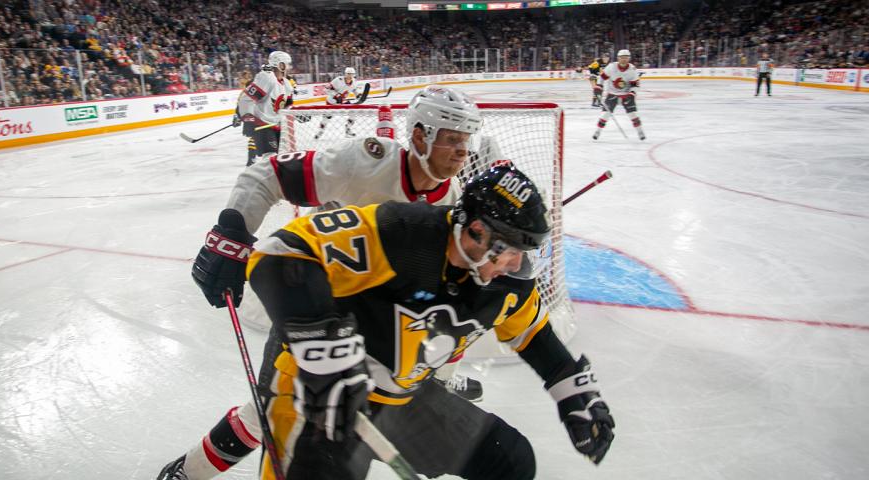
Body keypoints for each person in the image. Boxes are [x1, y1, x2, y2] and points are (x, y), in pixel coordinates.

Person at [157, 86, 507, 480]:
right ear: (421, 135)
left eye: (466, 140)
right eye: (452, 139)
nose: (462, 151)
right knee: (269, 411)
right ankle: (187, 471)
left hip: (375, 323)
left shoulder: (452, 201)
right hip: (312, 306)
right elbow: (265, 174)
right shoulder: (366, 162)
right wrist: (232, 233)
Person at [215, 166, 614, 479]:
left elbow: (531, 333)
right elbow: (280, 253)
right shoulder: (401, 233)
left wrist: (571, 390)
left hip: (399, 399)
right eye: (509, 250)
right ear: (475, 230)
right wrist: (324, 348)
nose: (516, 265)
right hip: (321, 400)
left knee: (508, 461)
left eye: (525, 253)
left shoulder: (506, 283)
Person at [235, 51, 294, 166]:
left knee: (278, 158)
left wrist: (297, 114)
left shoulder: (286, 83)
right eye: (288, 64)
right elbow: (246, 99)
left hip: (276, 125)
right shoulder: (267, 78)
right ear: (281, 65)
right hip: (262, 124)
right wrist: (247, 118)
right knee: (270, 159)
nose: (290, 67)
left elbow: (287, 105)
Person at [593, 49, 645, 141]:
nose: (624, 60)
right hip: (612, 94)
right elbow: (602, 77)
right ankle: (598, 131)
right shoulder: (611, 67)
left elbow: (635, 84)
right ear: (618, 58)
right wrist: (599, 87)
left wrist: (632, 93)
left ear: (629, 58)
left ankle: (640, 131)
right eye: (622, 58)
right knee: (605, 114)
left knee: (632, 114)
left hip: (626, 94)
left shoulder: (632, 69)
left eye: (626, 58)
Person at [314, 66, 360, 139]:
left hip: (343, 101)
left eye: (352, 74)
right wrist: (336, 95)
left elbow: (354, 89)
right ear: (345, 74)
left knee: (353, 113)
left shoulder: (354, 82)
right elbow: (326, 89)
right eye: (348, 74)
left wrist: (357, 95)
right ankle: (320, 131)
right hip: (331, 101)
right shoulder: (338, 80)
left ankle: (348, 130)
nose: (350, 76)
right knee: (326, 118)